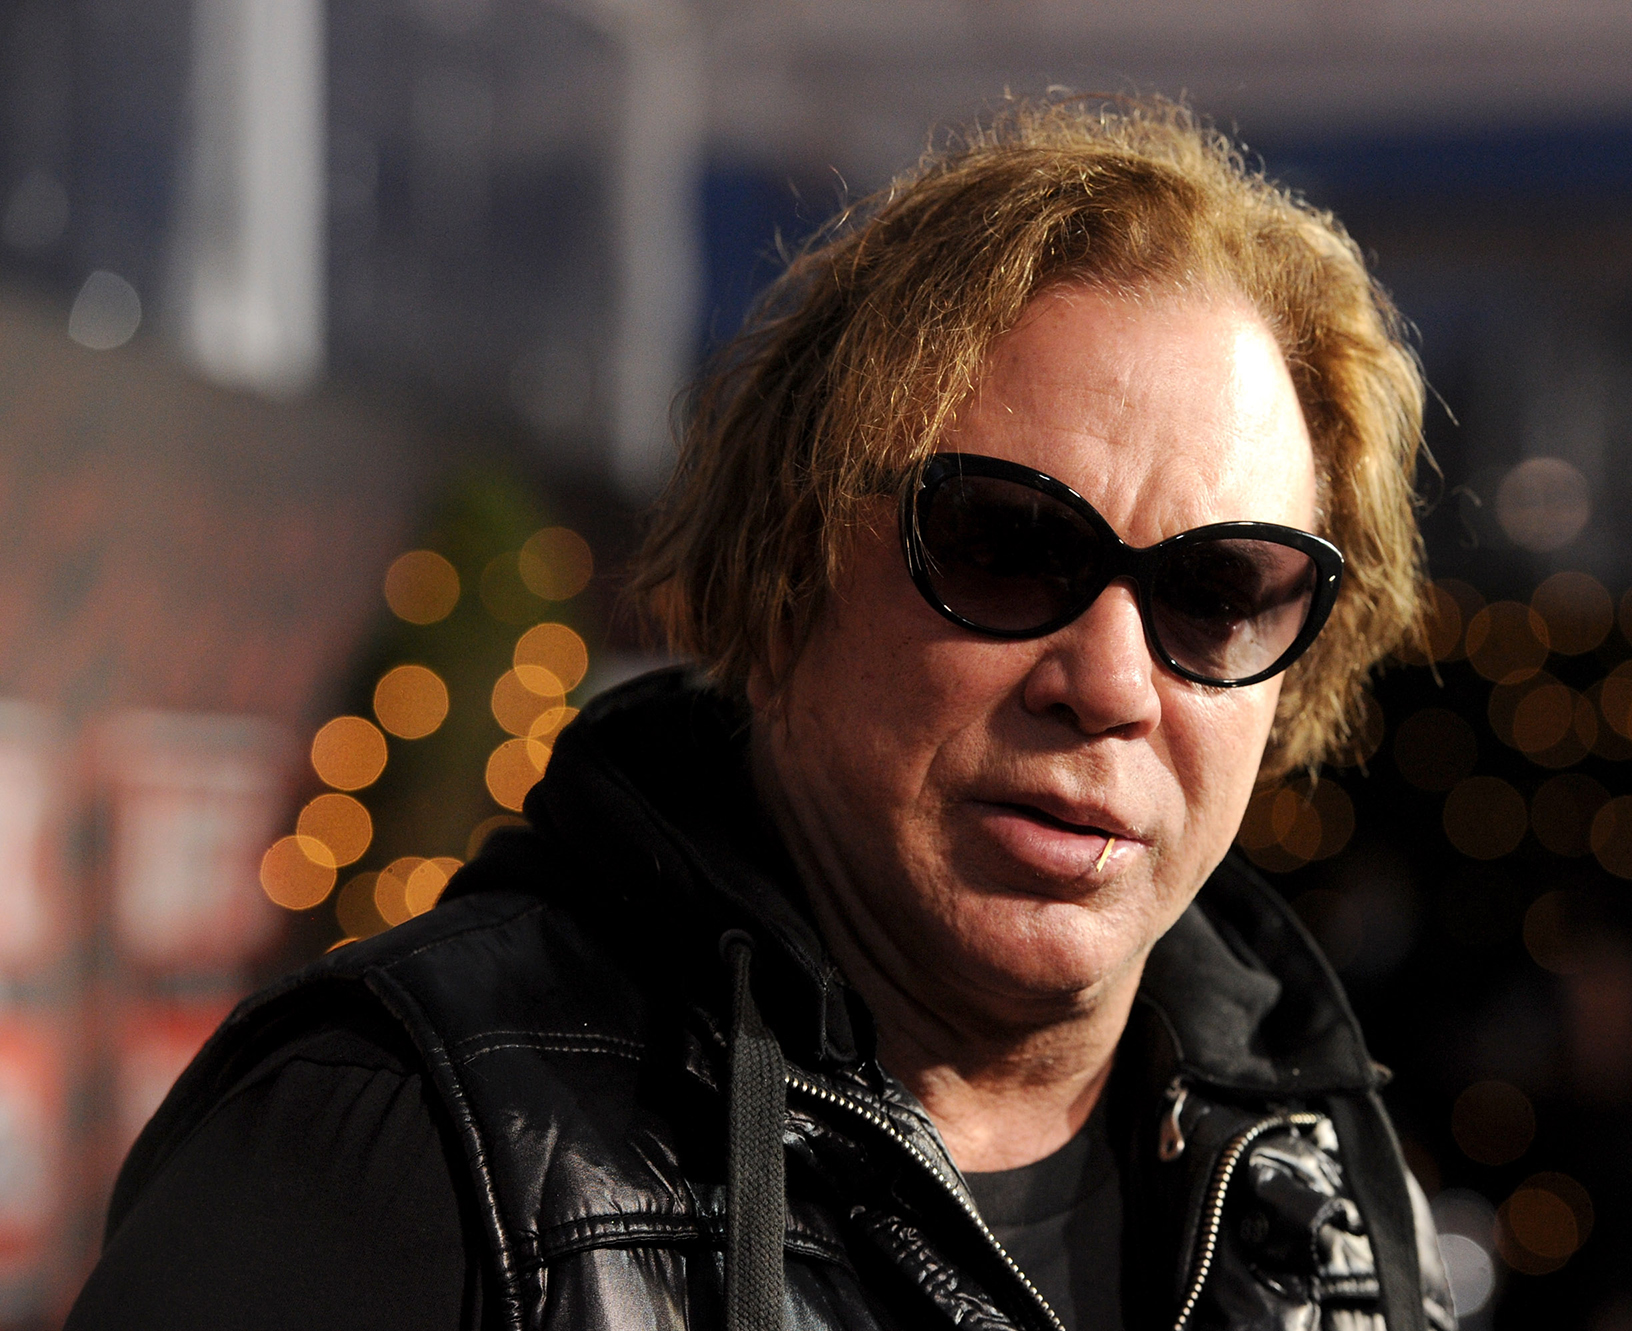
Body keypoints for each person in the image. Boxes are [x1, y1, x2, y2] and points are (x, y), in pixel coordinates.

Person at [67, 97, 1453, 1331]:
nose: (1109, 683)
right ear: (790, 565)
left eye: (1218, 592)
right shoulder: (402, 1147)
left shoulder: (1314, 1176)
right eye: (1005, 546)